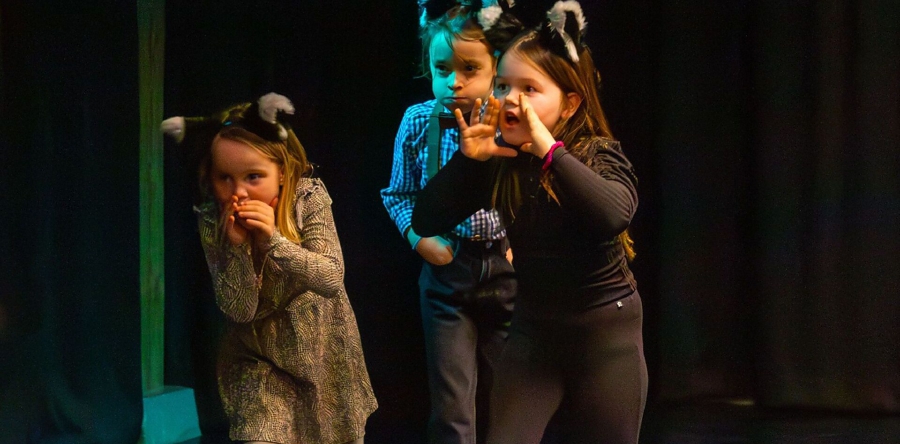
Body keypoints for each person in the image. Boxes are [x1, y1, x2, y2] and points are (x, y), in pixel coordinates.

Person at [411, 2, 648, 443]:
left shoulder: (596, 153)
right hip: (533, 336)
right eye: (502, 85)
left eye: (530, 88)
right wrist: (468, 164)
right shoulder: (500, 162)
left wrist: (550, 152)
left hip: (605, 338)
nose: (511, 100)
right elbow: (427, 219)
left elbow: (613, 214)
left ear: (570, 103)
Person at [161, 93, 377, 444]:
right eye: (225, 178)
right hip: (258, 359)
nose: (239, 192)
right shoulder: (214, 220)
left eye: (253, 176)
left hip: (323, 354)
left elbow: (331, 278)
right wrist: (236, 249)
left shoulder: (307, 198)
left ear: (283, 170)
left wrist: (274, 241)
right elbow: (239, 309)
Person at [380, 3, 516, 443]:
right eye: (442, 68)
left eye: (469, 68)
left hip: (504, 270)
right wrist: (420, 238)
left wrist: (518, 245)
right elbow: (398, 193)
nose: (453, 80)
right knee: (453, 406)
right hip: (448, 273)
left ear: (496, 67)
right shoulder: (419, 121)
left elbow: (528, 192)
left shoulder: (508, 121)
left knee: (507, 397)